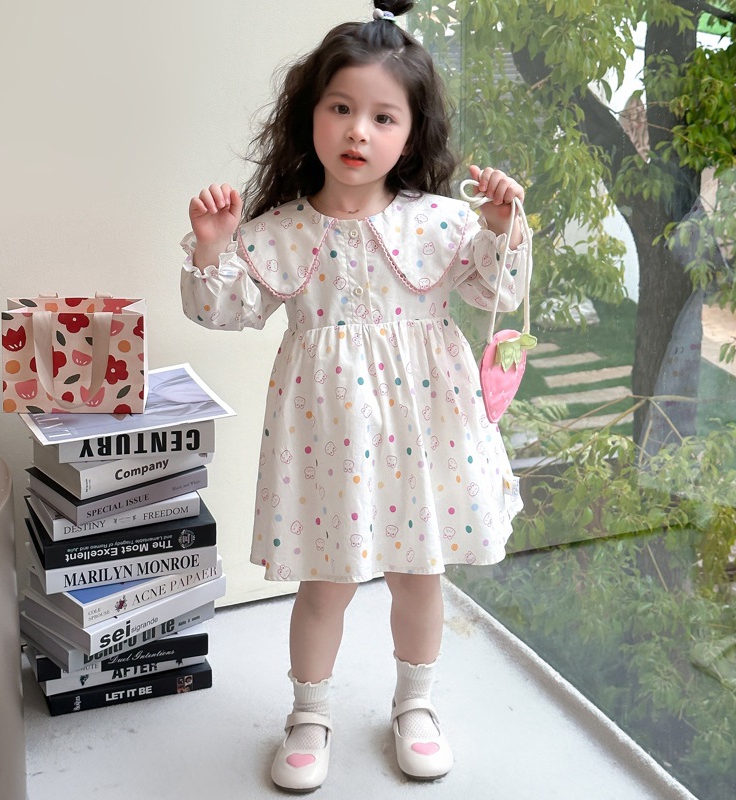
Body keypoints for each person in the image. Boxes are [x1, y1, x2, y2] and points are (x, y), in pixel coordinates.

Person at [180, 0, 529, 791]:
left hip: (426, 432)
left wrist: (502, 226)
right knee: (325, 583)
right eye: (340, 108)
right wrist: (211, 247)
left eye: (382, 116)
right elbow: (222, 310)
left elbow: (497, 291)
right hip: (328, 434)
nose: (357, 131)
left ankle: (416, 706)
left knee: (420, 576)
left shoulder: (442, 224)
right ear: (311, 115)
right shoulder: (281, 231)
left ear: (412, 132)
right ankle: (309, 714)